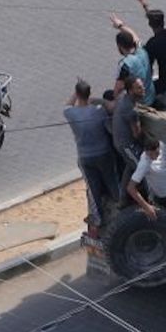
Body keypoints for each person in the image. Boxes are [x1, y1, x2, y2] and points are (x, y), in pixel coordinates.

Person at [64, 79, 119, 232]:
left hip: (85, 157)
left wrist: (76, 94)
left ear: (77, 94)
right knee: (112, 180)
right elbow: (111, 106)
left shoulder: (70, 113)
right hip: (104, 153)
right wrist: (94, 99)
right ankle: (121, 205)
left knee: (93, 188)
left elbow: (67, 104)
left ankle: (97, 216)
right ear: (89, 93)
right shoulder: (99, 110)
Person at [109, 13, 155, 105]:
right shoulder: (142, 51)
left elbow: (117, 90)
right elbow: (134, 35)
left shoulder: (126, 64)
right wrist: (120, 25)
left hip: (140, 103)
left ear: (120, 46)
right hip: (151, 97)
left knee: (108, 96)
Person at [112, 75, 147, 169]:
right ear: (131, 91)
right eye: (139, 88)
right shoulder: (131, 109)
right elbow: (137, 134)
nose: (143, 89)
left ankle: (124, 184)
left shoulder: (123, 96)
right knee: (141, 168)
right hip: (127, 145)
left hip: (121, 142)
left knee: (131, 166)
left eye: (142, 86)